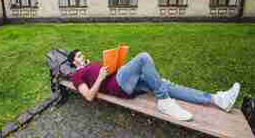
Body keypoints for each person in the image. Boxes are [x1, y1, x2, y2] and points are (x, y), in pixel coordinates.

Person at [67, 49, 240, 121]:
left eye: (82, 54)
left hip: (124, 79)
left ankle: (217, 99)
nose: (83, 57)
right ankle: (164, 101)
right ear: (73, 62)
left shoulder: (91, 65)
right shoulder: (77, 75)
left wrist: (116, 64)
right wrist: (100, 77)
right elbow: (89, 96)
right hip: (118, 85)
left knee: (167, 86)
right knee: (143, 57)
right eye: (79, 56)